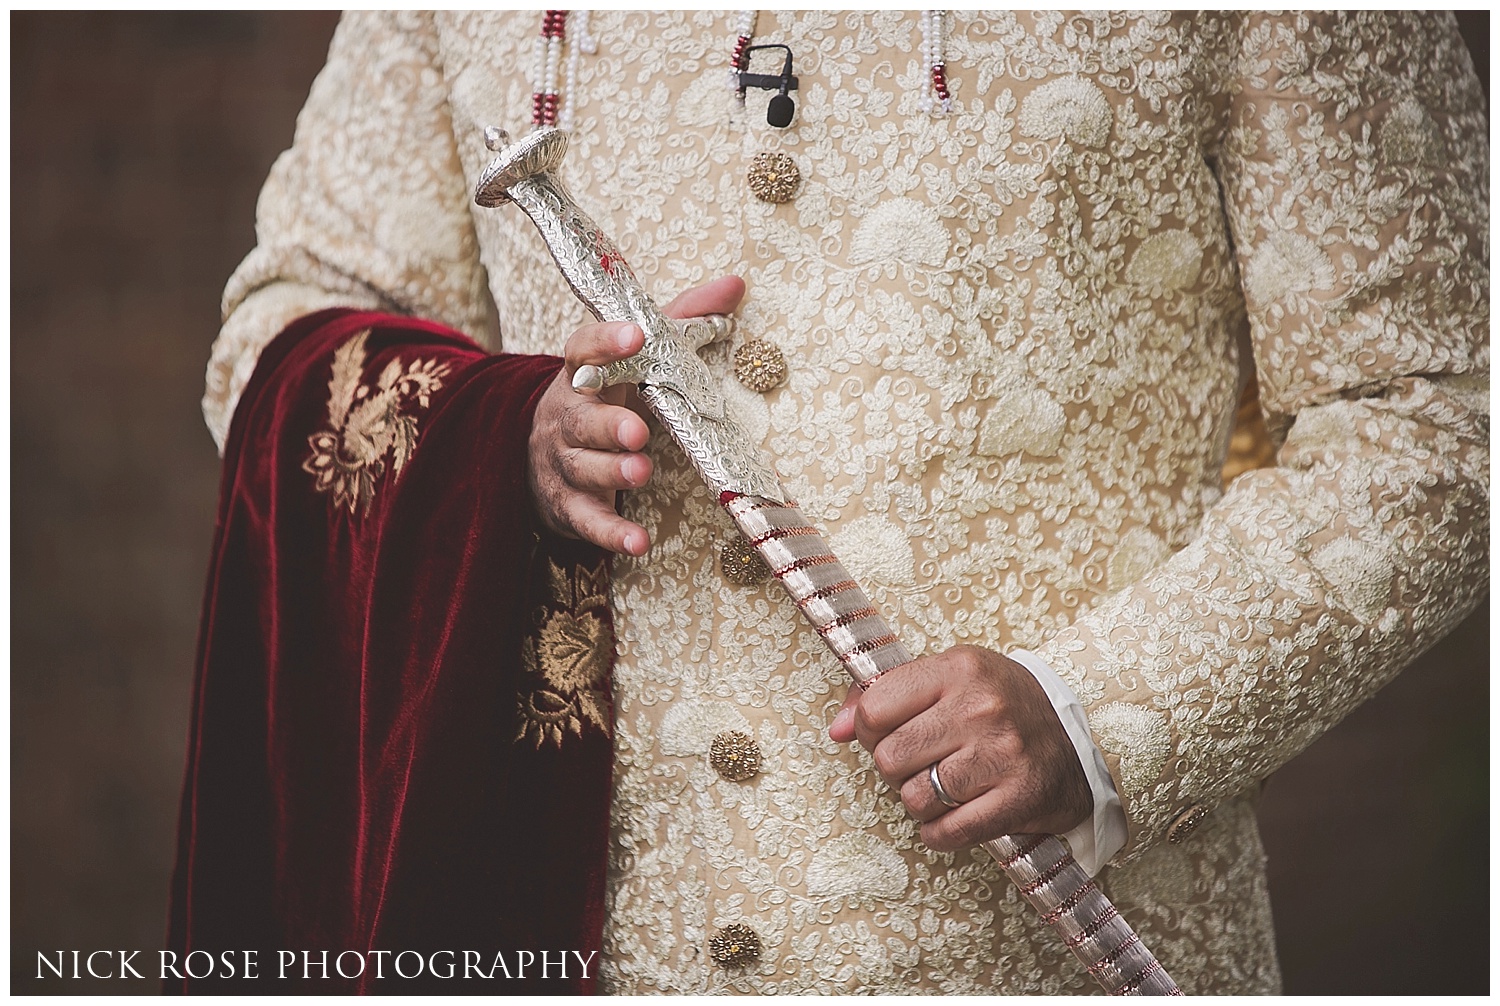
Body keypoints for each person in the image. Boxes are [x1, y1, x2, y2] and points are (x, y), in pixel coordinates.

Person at [180, 11, 1487, 994]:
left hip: (1048, 954)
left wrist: (1096, 713)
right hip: (586, 944)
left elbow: (1444, 409)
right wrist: (502, 433)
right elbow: (283, 326)